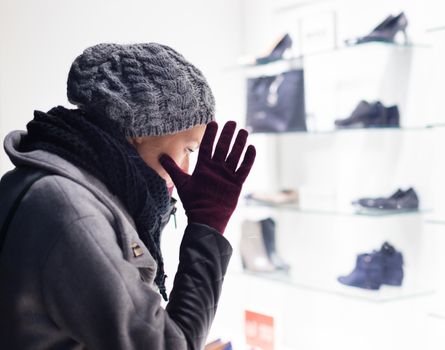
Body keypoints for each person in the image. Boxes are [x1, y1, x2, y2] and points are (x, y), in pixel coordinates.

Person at [0, 43, 256, 349]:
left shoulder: (54, 183)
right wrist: (208, 228)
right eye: (188, 148)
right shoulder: (73, 212)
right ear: (141, 129)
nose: (189, 167)